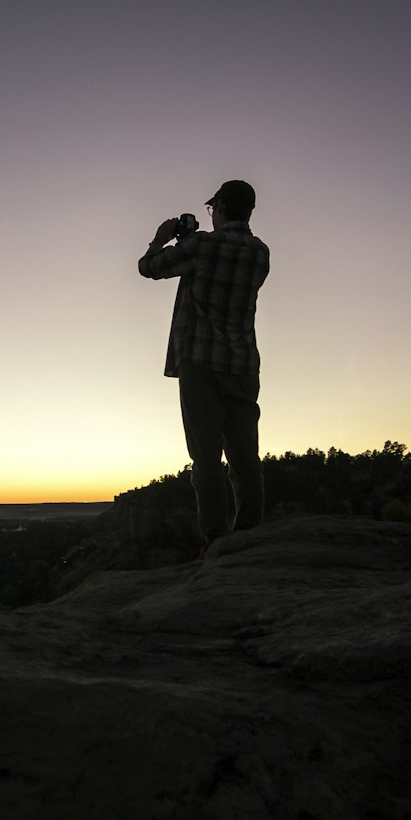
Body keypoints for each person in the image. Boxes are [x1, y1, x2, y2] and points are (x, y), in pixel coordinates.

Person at [137, 179, 270, 552]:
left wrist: (161, 237)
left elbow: (148, 268)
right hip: (243, 363)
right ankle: (249, 537)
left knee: (206, 458)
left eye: (213, 209)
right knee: (246, 457)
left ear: (222, 207)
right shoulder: (261, 253)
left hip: (200, 362)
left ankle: (217, 541)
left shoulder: (202, 246)